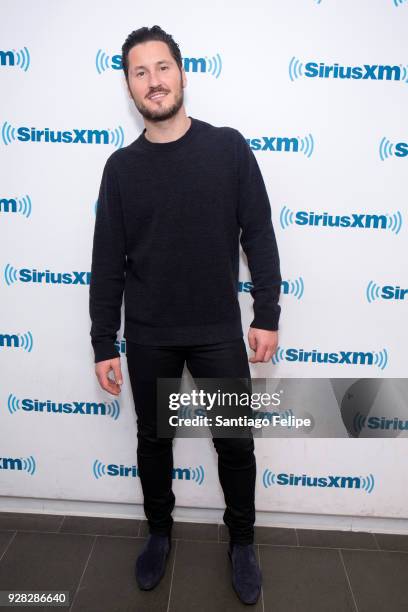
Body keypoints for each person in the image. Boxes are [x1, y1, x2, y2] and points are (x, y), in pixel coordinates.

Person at [89, 25, 281, 606]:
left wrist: (266, 312)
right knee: (154, 441)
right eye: (140, 72)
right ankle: (159, 533)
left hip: (219, 332)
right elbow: (107, 265)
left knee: (235, 443)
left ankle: (242, 542)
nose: (154, 81)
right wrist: (104, 342)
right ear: (129, 85)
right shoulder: (121, 168)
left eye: (162, 67)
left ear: (182, 73)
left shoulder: (228, 147)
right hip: (149, 336)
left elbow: (260, 236)